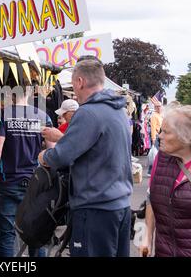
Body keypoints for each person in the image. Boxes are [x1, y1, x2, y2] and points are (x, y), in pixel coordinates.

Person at [38, 57, 133, 257]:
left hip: (95, 208)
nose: (75, 91)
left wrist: (44, 156)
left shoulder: (88, 113)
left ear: (80, 82)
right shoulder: (119, 111)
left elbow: (61, 156)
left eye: (74, 85)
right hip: (120, 205)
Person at [0, 85, 54, 257]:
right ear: (30, 92)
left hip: (8, 183)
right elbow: (52, 153)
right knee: (36, 235)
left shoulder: (2, 115)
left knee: (7, 236)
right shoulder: (43, 116)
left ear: (10, 93)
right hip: (36, 183)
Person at [140, 106, 191, 257]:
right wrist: (147, 237)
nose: (159, 136)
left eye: (166, 132)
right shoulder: (160, 159)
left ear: (185, 136)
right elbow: (151, 199)